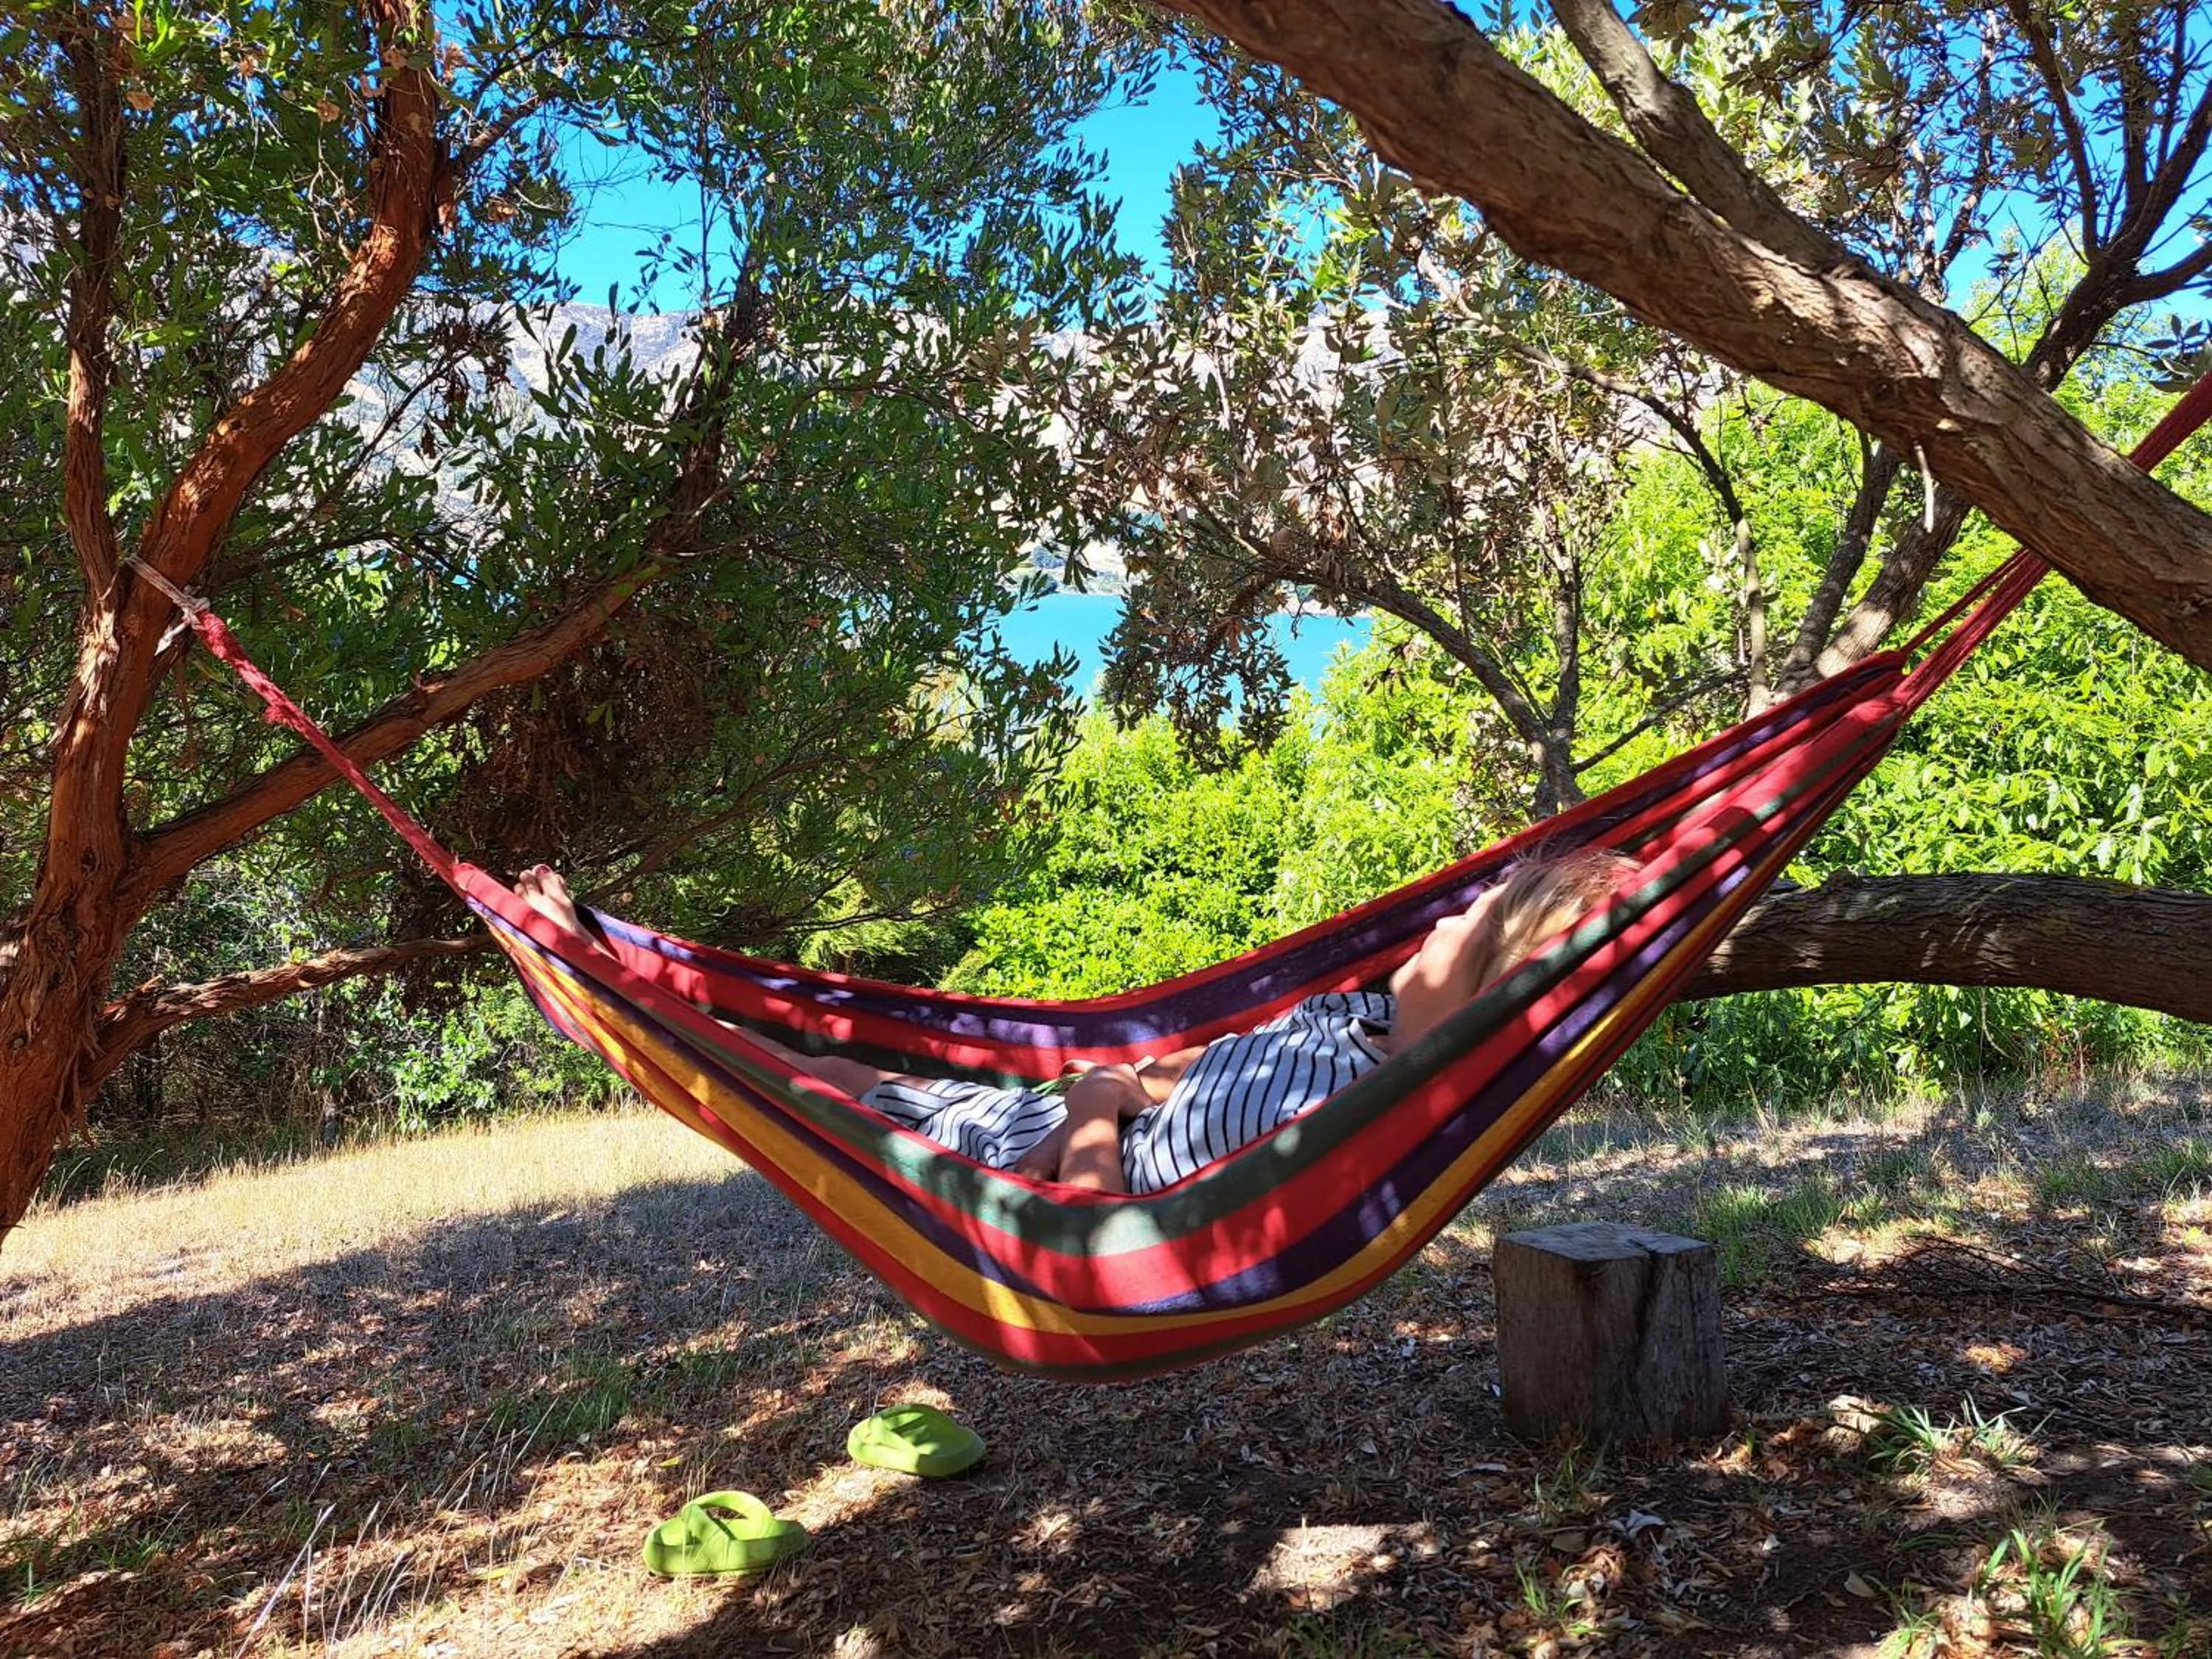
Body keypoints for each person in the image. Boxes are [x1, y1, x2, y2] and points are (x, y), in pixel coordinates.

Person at [515, 848, 1635, 1194]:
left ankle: (602, 981)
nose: (1433, 931)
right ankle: (611, 968)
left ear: (1492, 991)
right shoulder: (1358, 1022)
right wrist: (1127, 1074)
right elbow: (1190, 1062)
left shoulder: (1355, 1113)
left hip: (1011, 1164)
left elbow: (1099, 1225)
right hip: (1035, 1110)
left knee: (796, 1086)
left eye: (1463, 932)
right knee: (807, 1062)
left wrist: (1093, 1105)